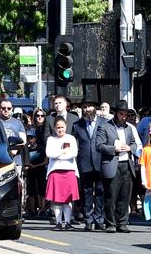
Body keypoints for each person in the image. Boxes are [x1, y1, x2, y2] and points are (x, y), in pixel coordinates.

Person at [95, 100, 137, 233]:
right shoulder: (105, 127)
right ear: (116, 113)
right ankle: (110, 223)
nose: (123, 117)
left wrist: (130, 148)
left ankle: (122, 222)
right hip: (113, 164)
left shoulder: (129, 128)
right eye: (121, 114)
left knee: (125, 195)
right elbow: (99, 146)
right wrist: (114, 148)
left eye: (126, 115)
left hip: (126, 164)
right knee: (111, 196)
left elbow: (135, 144)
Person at [72, 103, 105, 231]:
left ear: (95, 108)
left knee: (100, 191)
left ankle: (99, 219)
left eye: (89, 107)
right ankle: (88, 219)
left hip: (100, 160)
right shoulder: (77, 125)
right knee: (86, 192)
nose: (87, 110)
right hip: (84, 162)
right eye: (84, 107)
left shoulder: (104, 122)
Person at [45, 116, 80, 230]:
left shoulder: (71, 138)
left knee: (67, 200)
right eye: (58, 127)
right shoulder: (51, 139)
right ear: (54, 128)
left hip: (69, 171)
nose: (60, 130)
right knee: (57, 200)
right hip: (55, 171)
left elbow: (73, 153)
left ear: (66, 127)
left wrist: (58, 155)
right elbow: (49, 153)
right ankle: (59, 222)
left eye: (62, 127)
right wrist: (63, 152)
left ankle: (68, 222)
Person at [0, 99, 27, 174]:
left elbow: (24, 141)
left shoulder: (18, 123)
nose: (6, 110)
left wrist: (15, 148)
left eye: (9, 108)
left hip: (15, 161)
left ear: (12, 110)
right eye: (3, 108)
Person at [24, 129, 47, 218]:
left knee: (41, 191)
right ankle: (32, 210)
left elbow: (46, 161)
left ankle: (42, 209)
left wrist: (36, 165)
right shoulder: (26, 149)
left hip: (40, 171)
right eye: (28, 138)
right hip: (30, 172)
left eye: (32, 138)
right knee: (31, 191)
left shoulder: (41, 148)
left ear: (35, 138)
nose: (30, 140)